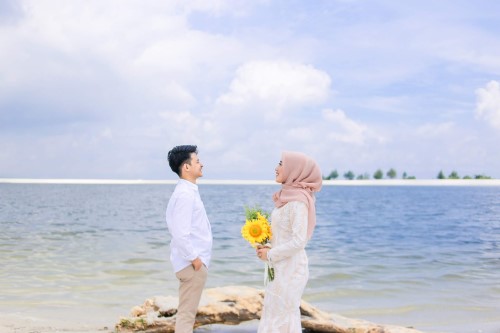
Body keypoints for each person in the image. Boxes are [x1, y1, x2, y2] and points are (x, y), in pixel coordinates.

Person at [256, 151, 322, 333]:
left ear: (295, 170)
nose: (276, 168)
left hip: (291, 268)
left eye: (281, 164)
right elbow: (282, 236)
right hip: (277, 267)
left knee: (282, 317)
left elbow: (299, 241)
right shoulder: (286, 198)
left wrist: (270, 254)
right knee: (272, 313)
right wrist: (266, 245)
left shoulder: (298, 202)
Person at [165, 145, 213, 333]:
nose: (202, 164)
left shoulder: (188, 191)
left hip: (193, 263)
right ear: (186, 167)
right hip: (191, 265)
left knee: (187, 314)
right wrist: (195, 259)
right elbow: (180, 233)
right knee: (186, 316)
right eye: (197, 161)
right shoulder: (185, 194)